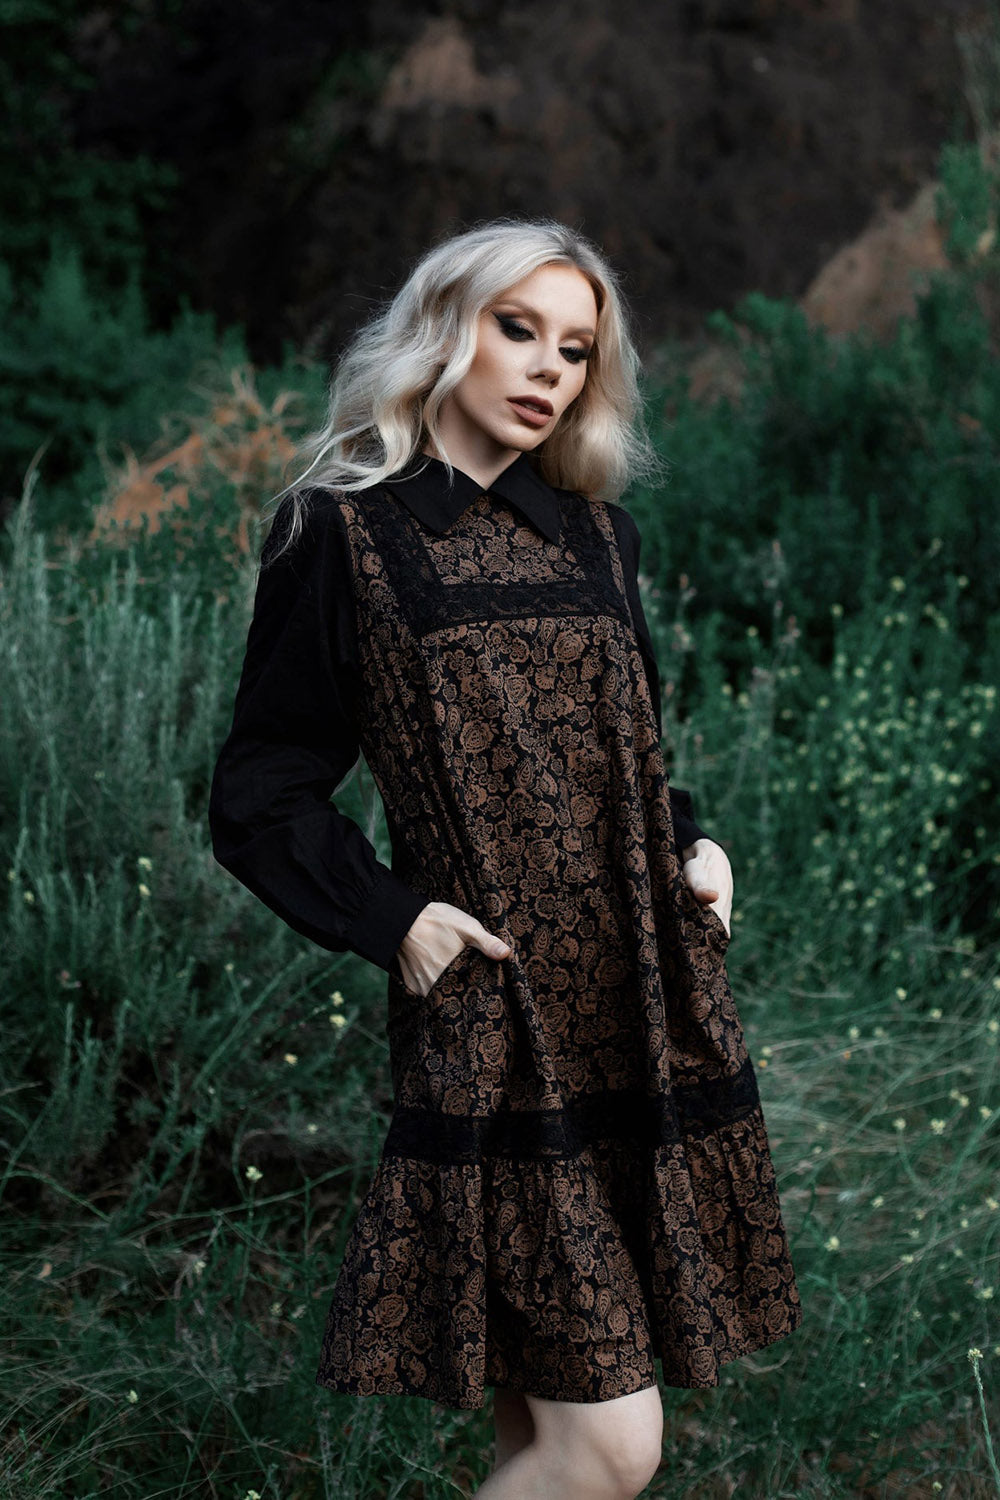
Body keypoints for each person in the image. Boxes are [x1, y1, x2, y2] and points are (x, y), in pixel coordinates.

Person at [209, 219, 803, 1499]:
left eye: (575, 350)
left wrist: (692, 841)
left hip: (643, 1004)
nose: (545, 368)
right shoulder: (345, 533)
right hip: (498, 1012)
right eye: (515, 328)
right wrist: (391, 918)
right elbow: (260, 791)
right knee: (609, 1448)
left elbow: (624, 752)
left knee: (545, 1438)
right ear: (444, 329)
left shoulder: (599, 539)